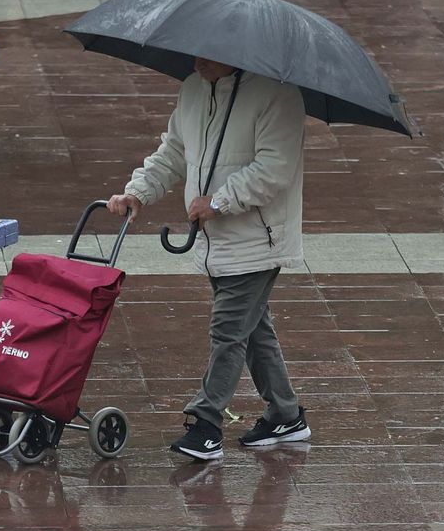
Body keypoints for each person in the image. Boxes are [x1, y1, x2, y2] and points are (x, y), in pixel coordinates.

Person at [107, 57, 311, 461]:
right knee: (253, 330)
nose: (197, 60)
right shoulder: (194, 89)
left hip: (258, 239)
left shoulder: (277, 95)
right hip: (215, 240)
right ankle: (286, 415)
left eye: (208, 53)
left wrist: (219, 201)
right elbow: (174, 151)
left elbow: (275, 168)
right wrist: (139, 192)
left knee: (228, 330)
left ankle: (206, 423)